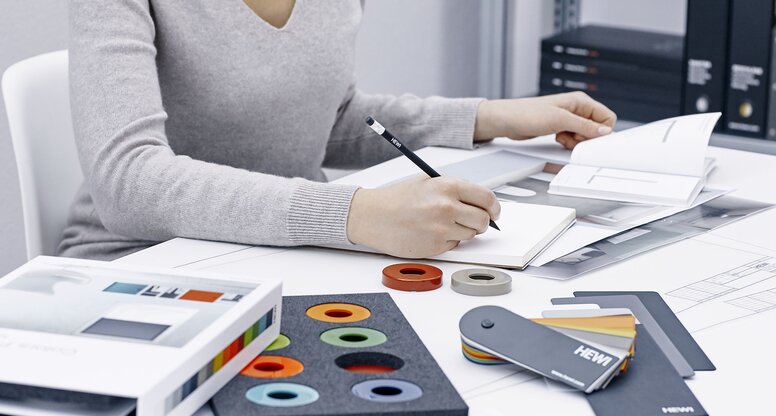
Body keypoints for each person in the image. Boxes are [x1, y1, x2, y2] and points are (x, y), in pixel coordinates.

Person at [60, 0, 617, 261]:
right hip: (141, 259)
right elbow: (126, 181)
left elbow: (324, 121)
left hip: (285, 255)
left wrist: (489, 118)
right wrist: (355, 214)